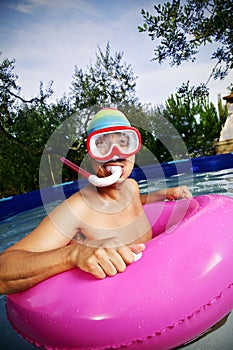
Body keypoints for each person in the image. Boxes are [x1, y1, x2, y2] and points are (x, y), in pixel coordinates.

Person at [0, 108, 192, 295]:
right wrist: (74, 253)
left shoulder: (131, 186)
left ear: (135, 150)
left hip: (158, 289)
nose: (115, 153)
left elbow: (136, 200)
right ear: (91, 154)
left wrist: (165, 193)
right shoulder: (78, 209)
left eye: (124, 142)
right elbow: (3, 270)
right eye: (102, 144)